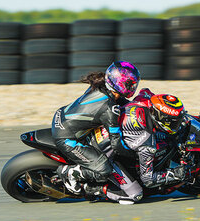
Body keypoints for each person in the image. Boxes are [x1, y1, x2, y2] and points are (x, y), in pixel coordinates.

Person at [51, 61, 140, 196]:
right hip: (67, 138)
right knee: (104, 170)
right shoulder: (109, 109)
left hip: (61, 115)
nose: (133, 86)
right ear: (119, 83)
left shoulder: (103, 85)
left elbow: (126, 104)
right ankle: (70, 172)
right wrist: (136, 154)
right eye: (130, 84)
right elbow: (116, 144)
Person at [94, 88, 188, 205]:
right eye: (174, 122)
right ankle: (94, 190)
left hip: (100, 131)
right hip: (102, 155)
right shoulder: (147, 142)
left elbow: (146, 91)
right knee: (136, 194)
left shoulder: (145, 99)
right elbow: (148, 179)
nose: (177, 125)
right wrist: (174, 175)